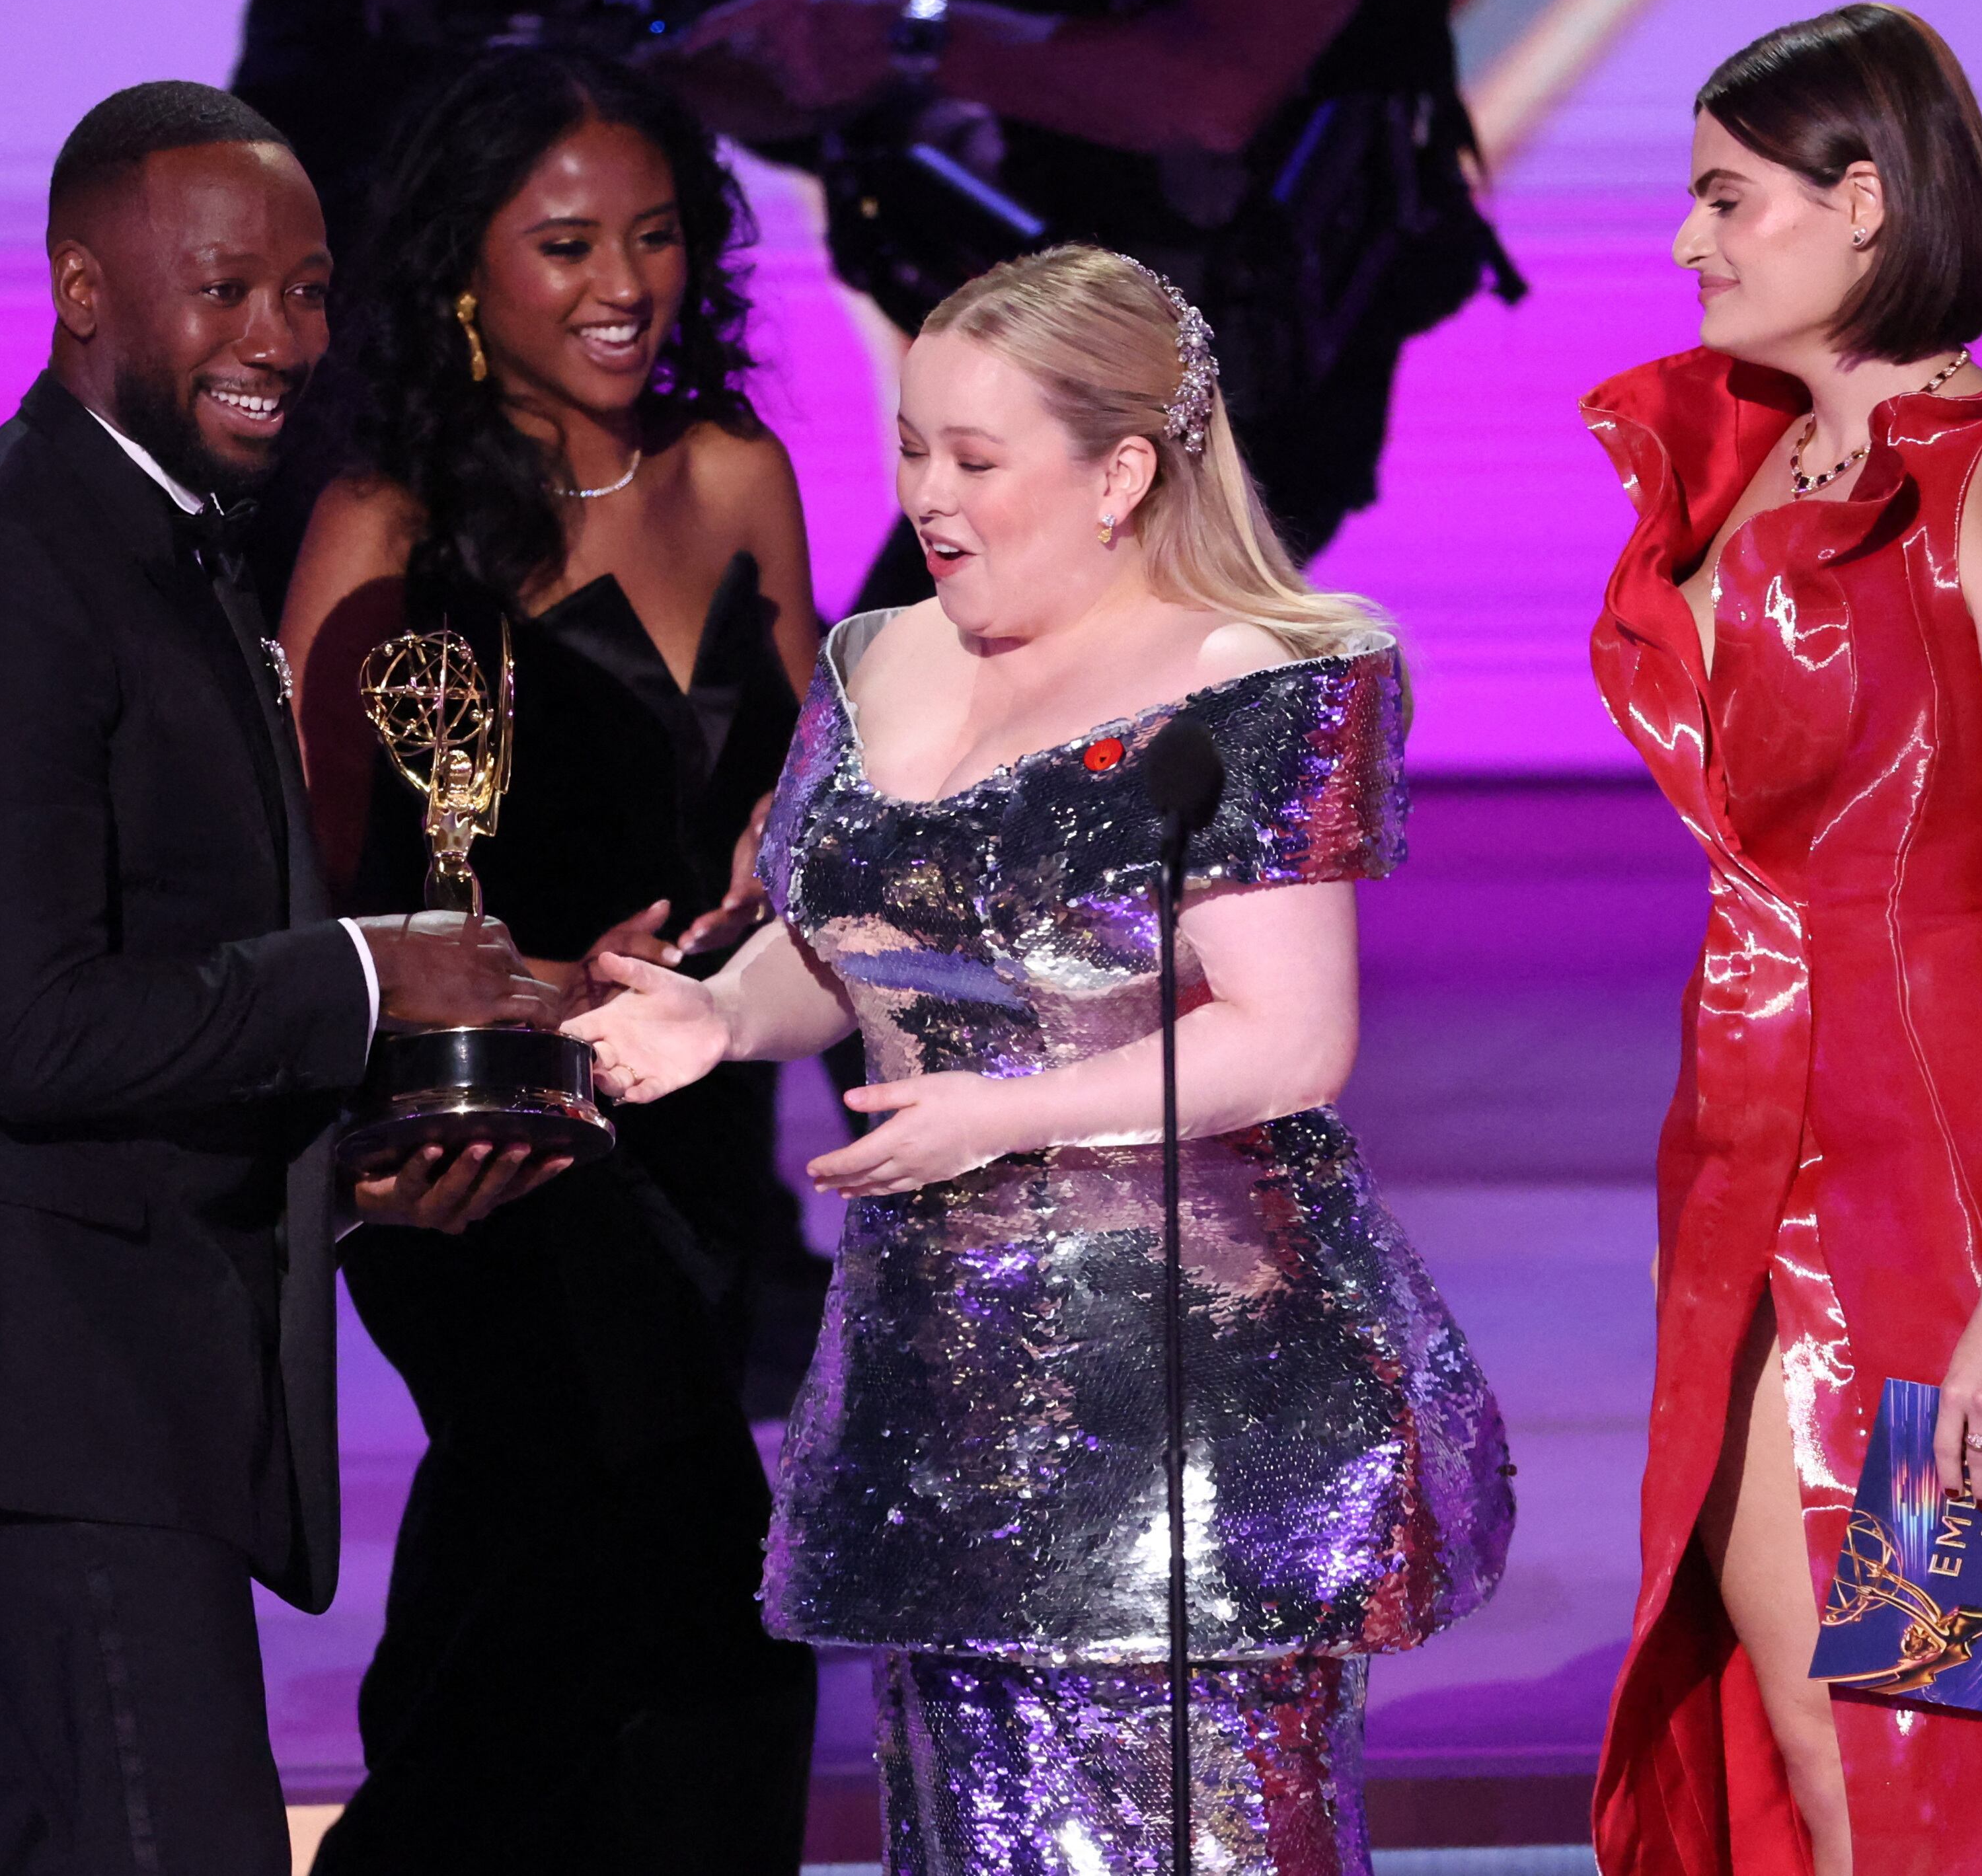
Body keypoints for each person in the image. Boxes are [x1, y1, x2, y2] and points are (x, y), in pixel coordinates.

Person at [568, 244, 1515, 1873]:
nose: (926, 494)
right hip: (941, 1386)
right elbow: (851, 929)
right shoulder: (875, 659)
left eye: (975, 460)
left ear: (1120, 469)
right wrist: (715, 1013)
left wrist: (1000, 1117)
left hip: (1184, 1403)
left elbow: (1289, 1036)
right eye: (911, 446)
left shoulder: (1256, 676)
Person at [0, 82, 563, 1876]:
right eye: (223, 291)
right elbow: (36, 1027)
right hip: (45, 1375)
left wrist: (350, 1148)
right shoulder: (6, 582)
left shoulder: (159, 530)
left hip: (113, 1350)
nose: (277, 337)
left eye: (303, 288)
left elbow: (171, 961)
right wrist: (372, 979)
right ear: (82, 286)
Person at [1577, 9, 1982, 1875]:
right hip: (1747, 1126)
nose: (1688, 242)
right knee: (1785, 1674)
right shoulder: (1739, 465)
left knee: (1954, 1705)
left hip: (1964, 1156)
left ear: (1863, 202)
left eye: (1724, 197)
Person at [273, 46, 819, 1871]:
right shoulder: (385, 522)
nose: (622, 287)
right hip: (479, 1138)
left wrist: (797, 875)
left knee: (609, 1559)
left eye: (655, 237)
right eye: (567, 242)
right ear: (462, 267)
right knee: (633, 1526)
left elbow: (818, 787)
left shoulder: (733, 468)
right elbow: (300, 877)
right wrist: (515, 988)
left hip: (691, 1106)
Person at [667, 0, 1517, 608]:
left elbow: (1212, 95)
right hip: (1047, 359)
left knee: (934, 733)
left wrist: (905, 34)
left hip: (1230, 394)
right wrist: (649, 52)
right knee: (896, 718)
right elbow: (820, 63)